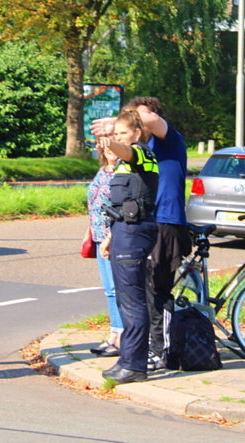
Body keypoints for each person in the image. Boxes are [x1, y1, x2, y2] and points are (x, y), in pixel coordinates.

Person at [92, 96, 190, 370]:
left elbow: (153, 120)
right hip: (143, 224)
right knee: (139, 292)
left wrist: (120, 121)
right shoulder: (138, 149)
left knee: (158, 290)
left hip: (166, 222)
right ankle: (142, 350)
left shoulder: (168, 140)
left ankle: (161, 351)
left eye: (136, 118)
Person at [98, 108, 160, 385]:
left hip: (136, 233)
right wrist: (111, 236)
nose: (119, 138)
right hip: (124, 231)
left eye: (123, 133)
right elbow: (122, 206)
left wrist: (110, 142)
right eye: (115, 134)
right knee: (125, 299)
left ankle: (135, 365)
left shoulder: (143, 153)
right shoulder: (124, 165)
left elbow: (128, 153)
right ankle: (126, 359)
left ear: (136, 133)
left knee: (134, 301)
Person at [83, 140, 122, 357]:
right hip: (98, 236)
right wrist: (89, 231)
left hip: (113, 237)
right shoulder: (103, 170)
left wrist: (110, 235)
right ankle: (113, 334)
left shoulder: (122, 172)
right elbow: (95, 203)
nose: (109, 149)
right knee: (109, 290)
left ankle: (121, 337)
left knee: (117, 289)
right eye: (105, 146)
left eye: (113, 145)